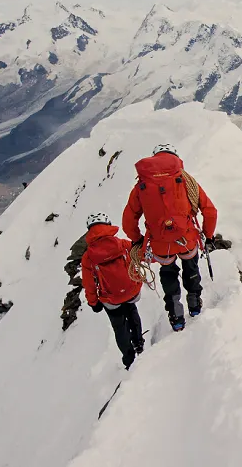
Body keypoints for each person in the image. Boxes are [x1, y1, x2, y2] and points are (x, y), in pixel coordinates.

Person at [122, 143, 218, 332]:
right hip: (187, 238)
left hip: (160, 244)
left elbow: (128, 219)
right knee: (191, 267)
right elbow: (210, 211)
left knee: (168, 276)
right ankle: (195, 304)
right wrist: (208, 235)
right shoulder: (185, 180)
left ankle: (176, 317)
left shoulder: (141, 184)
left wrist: (138, 239)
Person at [81, 212, 145, 369]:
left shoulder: (88, 257)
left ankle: (129, 358)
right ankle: (139, 344)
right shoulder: (122, 244)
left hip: (110, 299)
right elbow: (140, 254)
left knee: (119, 326)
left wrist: (93, 302)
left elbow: (89, 283)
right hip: (131, 291)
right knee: (132, 311)